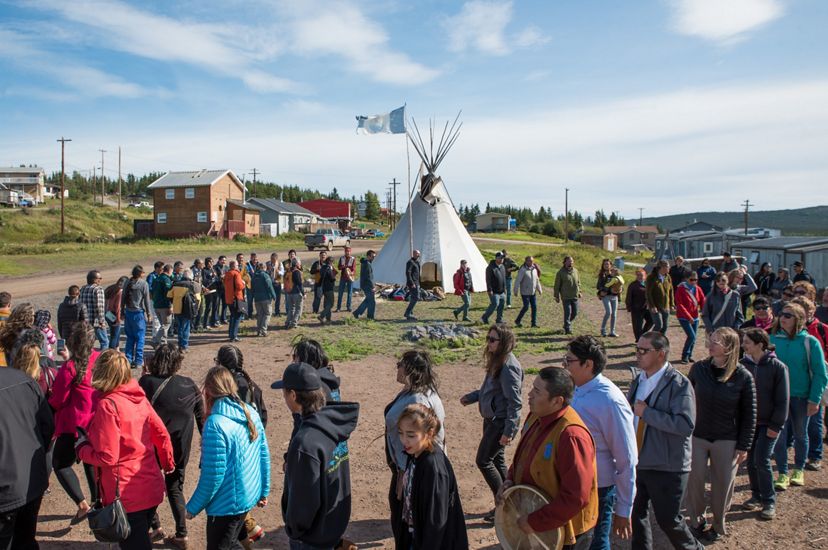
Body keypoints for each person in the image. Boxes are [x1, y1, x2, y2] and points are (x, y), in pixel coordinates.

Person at [76, 350, 175, 550]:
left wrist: (81, 449)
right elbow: (162, 434)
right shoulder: (139, 397)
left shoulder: (108, 405)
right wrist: (167, 463)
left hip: (127, 494)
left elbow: (108, 457)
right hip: (150, 485)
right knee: (139, 539)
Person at [497, 367, 598, 549]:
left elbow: (576, 498)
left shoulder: (572, 436)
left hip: (566, 534)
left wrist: (536, 521)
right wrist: (510, 480)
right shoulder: (536, 416)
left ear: (557, 401)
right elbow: (523, 457)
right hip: (537, 524)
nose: (529, 395)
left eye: (537, 391)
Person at [628, 332, 703, 550]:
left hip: (667, 465)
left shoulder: (679, 384)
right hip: (638, 460)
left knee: (669, 519)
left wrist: (647, 413)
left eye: (644, 350)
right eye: (637, 349)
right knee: (636, 512)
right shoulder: (638, 379)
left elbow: (685, 425)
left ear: (661, 354)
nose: (638, 354)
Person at [185, 366, 270, 550]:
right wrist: (263, 489)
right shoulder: (249, 411)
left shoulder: (215, 424)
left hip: (225, 505)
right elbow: (263, 454)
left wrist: (192, 507)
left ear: (207, 391)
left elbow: (213, 476)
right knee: (231, 544)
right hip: (247, 496)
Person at [566, 336, 637, 550]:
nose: (564, 364)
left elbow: (627, 458)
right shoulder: (574, 388)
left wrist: (624, 509)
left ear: (588, 364)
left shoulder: (610, 400)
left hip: (599, 489)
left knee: (596, 543)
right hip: (572, 485)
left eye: (569, 360)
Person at [685, 327, 756, 543]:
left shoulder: (743, 376)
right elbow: (686, 400)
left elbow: (750, 413)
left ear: (730, 347)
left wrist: (744, 445)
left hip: (727, 438)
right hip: (698, 435)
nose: (711, 343)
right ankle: (696, 521)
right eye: (711, 339)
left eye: (717, 341)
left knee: (723, 484)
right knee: (694, 481)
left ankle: (718, 523)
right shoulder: (699, 369)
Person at [281, 362, 358, 550]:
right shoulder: (332, 426)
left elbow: (304, 499)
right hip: (332, 525)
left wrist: (295, 530)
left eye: (284, 392)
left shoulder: (305, 442)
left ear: (293, 395)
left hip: (311, 538)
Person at [139, 344, 205, 549]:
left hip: (153, 445)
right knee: (175, 487)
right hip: (180, 445)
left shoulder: (146, 382)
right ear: (177, 363)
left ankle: (156, 526)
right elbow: (202, 419)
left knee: (147, 485)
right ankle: (182, 534)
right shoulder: (189, 384)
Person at [460, 324, 523, 522]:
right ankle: (513, 504)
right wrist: (472, 397)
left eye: (493, 339)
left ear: (503, 342)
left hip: (500, 423)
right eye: (488, 338)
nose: (488, 343)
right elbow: (491, 391)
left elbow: (515, 402)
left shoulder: (508, 366)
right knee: (496, 460)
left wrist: (509, 430)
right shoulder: (498, 361)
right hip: (492, 421)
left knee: (483, 461)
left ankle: (504, 506)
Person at [385, 350, 445, 547]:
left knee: (407, 520)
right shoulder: (413, 391)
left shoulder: (418, 400)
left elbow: (425, 440)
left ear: (410, 369)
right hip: (407, 464)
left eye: (400, 364)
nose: (397, 367)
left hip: (412, 467)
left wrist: (406, 472)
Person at [214, 345, 268, 546]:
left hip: (234, 453)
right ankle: (250, 531)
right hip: (250, 450)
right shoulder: (253, 386)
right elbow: (263, 418)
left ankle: (247, 531)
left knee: (229, 509)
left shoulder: (225, 390)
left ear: (220, 364)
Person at [771, 303, 828, 489]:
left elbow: (820, 373)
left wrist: (815, 399)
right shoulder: (772, 340)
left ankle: (799, 469)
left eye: (788, 315)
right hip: (778, 397)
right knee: (779, 435)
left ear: (799, 319)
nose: (783, 318)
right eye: (782, 314)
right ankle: (782, 472)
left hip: (801, 397)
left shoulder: (810, 342)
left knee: (800, 434)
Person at [47, 322, 100, 524]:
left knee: (60, 465)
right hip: (95, 421)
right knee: (91, 462)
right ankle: (98, 500)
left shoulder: (70, 367)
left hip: (73, 425)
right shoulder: (99, 359)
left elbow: (58, 399)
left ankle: (83, 504)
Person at [395, 404, 468, 549]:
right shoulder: (415, 453)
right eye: (400, 433)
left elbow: (436, 522)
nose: (404, 440)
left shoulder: (433, 467)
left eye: (410, 435)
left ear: (429, 433)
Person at [0, 364, 54, 550]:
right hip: (32, 482)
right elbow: (48, 427)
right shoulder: (24, 379)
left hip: (6, 491)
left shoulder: (25, 380)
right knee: (26, 540)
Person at [740, 328, 789, 520]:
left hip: (769, 424)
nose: (743, 345)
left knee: (762, 460)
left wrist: (775, 426)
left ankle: (769, 500)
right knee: (751, 461)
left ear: (760, 345)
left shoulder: (778, 367)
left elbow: (783, 400)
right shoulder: (742, 365)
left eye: (747, 342)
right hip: (749, 423)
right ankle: (756, 495)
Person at [791, 296, 828, 471]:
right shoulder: (788, 332)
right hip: (796, 384)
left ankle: (815, 455)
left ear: (810, 312)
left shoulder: (821, 330)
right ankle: (795, 449)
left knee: (814, 421)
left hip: (816, 382)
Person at [121, 265, 152, 370]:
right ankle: (138, 361)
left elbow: (123, 298)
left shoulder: (127, 283)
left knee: (130, 338)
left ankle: (128, 360)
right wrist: (149, 313)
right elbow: (147, 300)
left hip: (128, 312)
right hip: (138, 314)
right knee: (140, 338)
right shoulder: (143, 284)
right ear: (140, 274)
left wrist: (122, 311)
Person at [675, 271, 705, 364]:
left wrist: (704, 312)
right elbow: (679, 305)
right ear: (686, 279)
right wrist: (688, 317)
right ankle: (684, 356)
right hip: (684, 317)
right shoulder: (681, 289)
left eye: (696, 279)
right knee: (691, 336)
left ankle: (689, 355)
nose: (694, 282)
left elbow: (703, 301)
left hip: (695, 316)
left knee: (694, 337)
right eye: (692, 279)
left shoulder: (698, 288)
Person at [168, 269, 201, 351]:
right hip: (188, 309)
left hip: (177, 309)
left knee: (180, 327)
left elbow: (169, 295)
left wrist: (174, 302)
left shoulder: (175, 284)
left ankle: (180, 344)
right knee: (186, 328)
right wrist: (196, 308)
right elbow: (198, 299)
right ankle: (184, 346)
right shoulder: (195, 285)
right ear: (191, 276)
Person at [80, 269, 109, 349]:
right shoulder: (98, 289)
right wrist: (101, 321)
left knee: (88, 342)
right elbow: (99, 307)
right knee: (104, 341)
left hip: (85, 321)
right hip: (96, 321)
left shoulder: (83, 289)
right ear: (94, 279)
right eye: (99, 278)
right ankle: (103, 360)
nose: (101, 280)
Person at [554, 256, 581, 335]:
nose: (570, 263)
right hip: (566, 297)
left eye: (572, 261)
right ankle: (567, 329)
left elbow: (578, 282)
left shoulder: (576, 271)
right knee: (567, 313)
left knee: (575, 313)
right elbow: (557, 285)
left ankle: (566, 324)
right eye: (569, 261)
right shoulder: (560, 273)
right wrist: (556, 296)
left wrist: (579, 291)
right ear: (564, 262)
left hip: (574, 296)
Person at [645, 261, 673, 335]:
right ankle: (650, 340)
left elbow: (671, 291)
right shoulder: (651, 277)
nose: (669, 268)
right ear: (662, 268)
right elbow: (648, 293)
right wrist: (652, 306)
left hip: (666, 306)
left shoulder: (668, 277)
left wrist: (672, 304)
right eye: (668, 267)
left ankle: (660, 343)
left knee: (665, 326)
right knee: (658, 325)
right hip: (655, 306)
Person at [514, 255, 543, 328]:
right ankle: (518, 320)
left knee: (534, 307)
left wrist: (539, 289)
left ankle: (533, 323)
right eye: (529, 261)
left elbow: (536, 280)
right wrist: (516, 290)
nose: (531, 262)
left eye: (532, 261)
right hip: (525, 292)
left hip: (532, 292)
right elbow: (518, 280)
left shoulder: (534, 270)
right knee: (526, 307)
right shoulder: (522, 270)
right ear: (526, 261)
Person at [626, 269, 653, 341]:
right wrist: (629, 306)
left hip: (647, 307)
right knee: (637, 326)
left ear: (645, 276)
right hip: (636, 308)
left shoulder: (648, 283)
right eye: (638, 275)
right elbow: (629, 296)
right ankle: (638, 339)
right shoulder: (633, 285)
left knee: (651, 320)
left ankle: (643, 335)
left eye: (641, 275)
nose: (640, 277)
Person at [251, 262, 277, 337]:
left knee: (260, 315)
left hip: (257, 299)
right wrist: (274, 295)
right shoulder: (265, 275)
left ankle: (259, 330)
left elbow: (252, 288)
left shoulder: (254, 276)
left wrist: (253, 296)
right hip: (265, 298)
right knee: (267, 314)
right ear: (264, 268)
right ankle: (263, 329)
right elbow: (270, 286)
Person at [152, 264, 174, 348]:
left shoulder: (156, 278)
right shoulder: (166, 279)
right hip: (164, 306)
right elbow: (168, 294)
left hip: (156, 305)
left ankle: (163, 343)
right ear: (169, 271)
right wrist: (170, 306)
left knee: (163, 325)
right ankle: (156, 340)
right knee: (166, 324)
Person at [482, 252, 507, 325]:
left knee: (501, 305)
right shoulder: (490, 268)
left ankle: (499, 319)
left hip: (501, 291)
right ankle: (484, 317)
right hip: (494, 291)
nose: (502, 259)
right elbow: (488, 280)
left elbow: (503, 278)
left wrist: (504, 288)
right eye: (501, 258)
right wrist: (489, 290)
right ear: (496, 258)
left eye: (503, 258)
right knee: (494, 304)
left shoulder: (502, 267)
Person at [598, 265, 624, 337]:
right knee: (608, 312)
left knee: (614, 314)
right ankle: (603, 329)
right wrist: (602, 292)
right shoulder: (605, 277)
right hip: (606, 296)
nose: (612, 272)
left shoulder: (618, 278)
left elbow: (621, 287)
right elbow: (600, 286)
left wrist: (620, 290)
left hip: (614, 297)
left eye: (614, 271)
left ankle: (612, 331)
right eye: (612, 270)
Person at [224, 260, 245, 342]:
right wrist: (243, 283)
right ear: (234, 266)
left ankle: (231, 334)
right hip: (236, 298)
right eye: (237, 265)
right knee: (237, 317)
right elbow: (239, 286)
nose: (238, 266)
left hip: (229, 298)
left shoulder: (227, 274)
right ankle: (234, 336)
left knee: (233, 316)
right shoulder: (236, 274)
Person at [105, 276, 128, 350]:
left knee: (115, 332)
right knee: (114, 335)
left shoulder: (111, 288)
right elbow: (118, 307)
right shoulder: (120, 291)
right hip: (114, 314)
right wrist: (118, 319)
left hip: (107, 313)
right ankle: (111, 351)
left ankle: (117, 349)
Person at [353, 250, 377, 320]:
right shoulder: (367, 264)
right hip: (367, 285)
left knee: (368, 300)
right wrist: (373, 287)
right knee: (372, 302)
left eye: (374, 256)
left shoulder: (366, 262)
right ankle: (370, 317)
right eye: (373, 256)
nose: (374, 258)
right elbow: (368, 277)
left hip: (365, 285)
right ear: (368, 256)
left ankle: (357, 313)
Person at [284, 258, 305, 329]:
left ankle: (288, 322)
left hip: (289, 293)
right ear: (296, 264)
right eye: (299, 263)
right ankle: (294, 323)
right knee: (298, 309)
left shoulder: (288, 271)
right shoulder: (297, 272)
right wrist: (303, 293)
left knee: (291, 309)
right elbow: (299, 284)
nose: (300, 264)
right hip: (296, 293)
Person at [201, 257, 220, 329]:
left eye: (212, 262)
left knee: (215, 307)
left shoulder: (213, 270)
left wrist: (215, 276)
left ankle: (213, 322)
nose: (211, 264)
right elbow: (204, 281)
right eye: (209, 262)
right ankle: (205, 324)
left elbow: (217, 279)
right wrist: (211, 277)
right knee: (208, 307)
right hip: (208, 291)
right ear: (206, 263)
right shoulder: (204, 271)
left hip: (215, 290)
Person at [317, 256, 337, 324]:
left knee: (327, 304)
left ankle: (328, 319)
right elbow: (332, 278)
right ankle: (322, 316)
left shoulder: (322, 268)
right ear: (331, 262)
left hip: (324, 288)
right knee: (331, 304)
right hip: (329, 288)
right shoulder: (328, 268)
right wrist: (334, 275)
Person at [336, 246, 356, 312]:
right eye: (346, 251)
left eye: (349, 251)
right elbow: (338, 267)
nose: (347, 252)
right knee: (340, 293)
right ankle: (338, 307)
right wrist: (342, 267)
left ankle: (348, 307)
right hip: (343, 278)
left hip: (350, 278)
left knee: (350, 293)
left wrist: (352, 272)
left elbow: (354, 269)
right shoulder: (342, 258)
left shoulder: (353, 259)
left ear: (350, 252)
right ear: (344, 252)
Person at [404, 250, 421, 321]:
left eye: (419, 254)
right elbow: (408, 273)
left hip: (416, 282)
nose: (418, 255)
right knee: (416, 297)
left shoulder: (417, 262)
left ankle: (410, 314)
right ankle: (407, 313)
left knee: (413, 297)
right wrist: (412, 283)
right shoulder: (410, 262)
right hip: (413, 283)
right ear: (413, 254)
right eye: (417, 254)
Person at [214, 256, 229, 325]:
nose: (224, 261)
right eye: (222, 260)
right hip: (217, 288)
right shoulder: (215, 267)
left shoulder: (226, 267)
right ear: (219, 260)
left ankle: (224, 318)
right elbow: (214, 277)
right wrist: (219, 277)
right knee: (217, 304)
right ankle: (216, 319)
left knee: (225, 304)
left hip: (225, 288)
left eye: (225, 260)